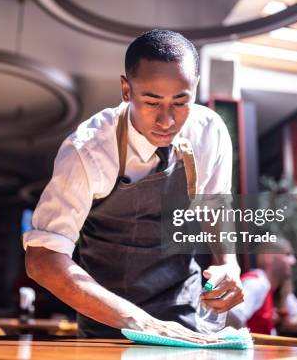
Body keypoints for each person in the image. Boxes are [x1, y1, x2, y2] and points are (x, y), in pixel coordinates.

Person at [23, 29, 243, 343]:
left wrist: (228, 265)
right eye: (152, 102)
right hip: (108, 324)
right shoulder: (88, 150)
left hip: (186, 315)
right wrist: (141, 323)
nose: (167, 120)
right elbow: (42, 259)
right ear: (126, 90)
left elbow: (216, 206)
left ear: (194, 89)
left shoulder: (209, 131)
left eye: (180, 102)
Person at [228, 238, 297, 334]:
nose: (293, 261)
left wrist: (283, 321)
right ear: (268, 257)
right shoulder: (256, 283)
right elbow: (232, 318)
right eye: (287, 254)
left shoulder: (280, 289)